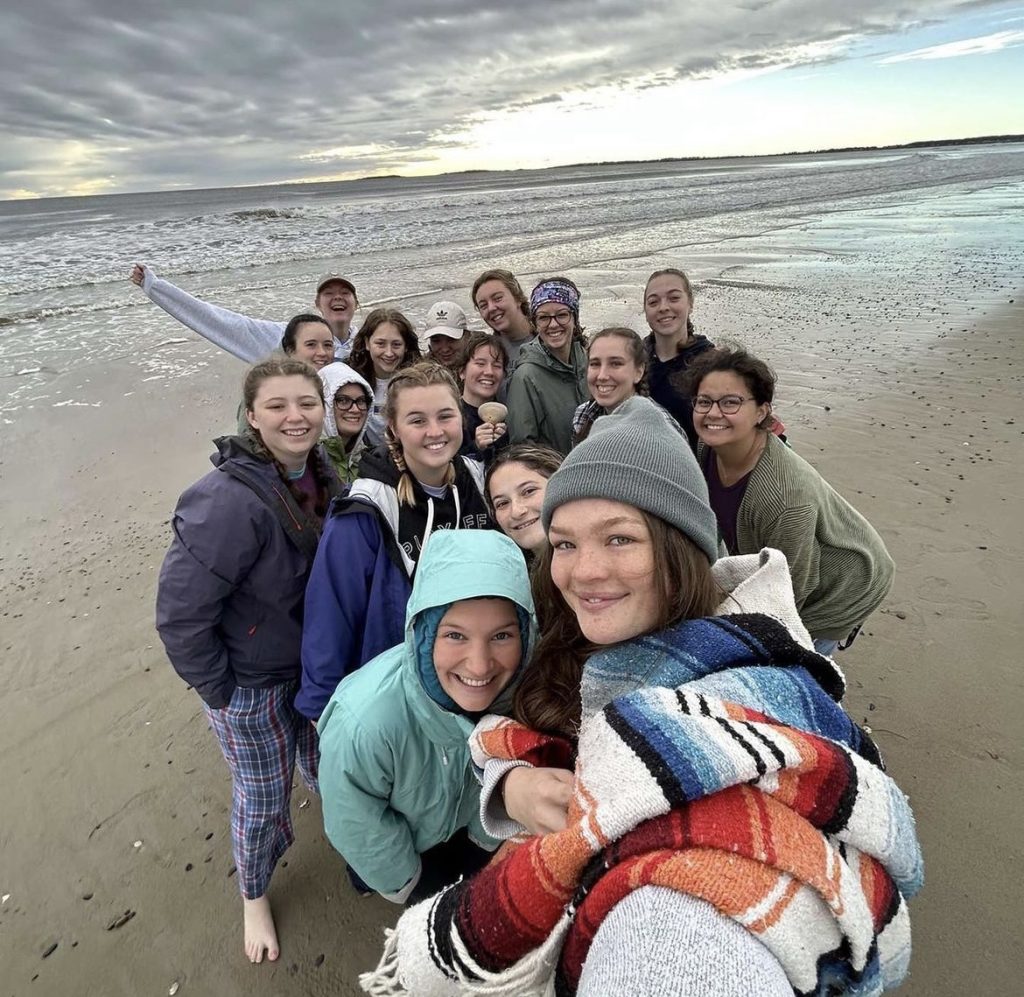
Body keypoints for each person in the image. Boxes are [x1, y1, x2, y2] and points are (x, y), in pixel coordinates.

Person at [364, 396, 922, 997]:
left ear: (679, 544)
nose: (585, 572)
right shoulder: (574, 637)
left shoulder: (762, 687)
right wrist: (512, 780)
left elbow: (688, 921)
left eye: (620, 538)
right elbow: (512, 725)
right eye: (566, 544)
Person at [155, 358, 343, 965]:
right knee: (263, 798)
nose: (295, 417)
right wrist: (222, 692)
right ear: (252, 416)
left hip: (311, 667)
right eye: (278, 406)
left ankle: (344, 825)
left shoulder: (322, 473)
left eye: (306, 404)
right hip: (249, 684)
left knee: (325, 759)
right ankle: (254, 893)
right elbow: (181, 616)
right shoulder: (225, 501)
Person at [317, 529, 537, 903]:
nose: (480, 665)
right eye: (454, 636)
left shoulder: (522, 695)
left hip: (465, 832)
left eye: (502, 636)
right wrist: (406, 880)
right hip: (408, 849)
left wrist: (483, 839)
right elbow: (356, 818)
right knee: (381, 875)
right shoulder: (364, 723)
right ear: (421, 633)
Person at [297, 362, 494, 721]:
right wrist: (322, 709)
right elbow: (331, 615)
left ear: (461, 420)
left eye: (445, 416)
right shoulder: (364, 511)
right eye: (417, 420)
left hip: (479, 679)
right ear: (394, 429)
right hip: (398, 694)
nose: (435, 432)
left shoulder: (480, 483)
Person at [687, 346, 895, 654]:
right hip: (803, 559)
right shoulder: (707, 450)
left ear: (762, 411)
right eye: (704, 402)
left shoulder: (784, 498)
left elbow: (786, 596)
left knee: (795, 662)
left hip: (845, 585)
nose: (713, 413)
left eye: (731, 402)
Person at [130, 265, 359, 360]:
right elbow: (224, 323)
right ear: (317, 303)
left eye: (345, 293)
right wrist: (156, 288)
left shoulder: (368, 342)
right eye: (328, 293)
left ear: (356, 303)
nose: (337, 297)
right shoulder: (288, 336)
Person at [506, 276, 589, 454]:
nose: (553, 324)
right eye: (544, 318)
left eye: (562, 315)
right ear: (535, 323)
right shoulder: (526, 377)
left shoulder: (587, 360)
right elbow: (523, 449)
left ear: (575, 318)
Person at [642, 267, 715, 451]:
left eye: (674, 298)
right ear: (645, 311)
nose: (663, 307)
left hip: (695, 469)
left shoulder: (712, 362)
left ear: (690, 303)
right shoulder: (634, 359)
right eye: (653, 302)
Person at [346, 307, 422, 444]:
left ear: (406, 346)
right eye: (380, 344)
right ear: (367, 343)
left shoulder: (418, 382)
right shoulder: (351, 381)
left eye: (396, 344)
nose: (389, 353)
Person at [484, 443, 563, 561]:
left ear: (562, 485)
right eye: (502, 503)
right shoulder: (506, 574)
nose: (516, 512)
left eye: (528, 491)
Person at [572, 326, 649, 445]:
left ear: (638, 371)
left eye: (615, 364)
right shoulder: (583, 415)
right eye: (595, 364)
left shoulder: (661, 427)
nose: (602, 376)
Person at [457, 331, 510, 462]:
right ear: (462, 371)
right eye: (480, 364)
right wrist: (476, 448)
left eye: (497, 366)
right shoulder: (451, 417)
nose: (489, 372)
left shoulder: (510, 419)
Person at [318, 361, 374, 484]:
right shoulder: (308, 461)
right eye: (343, 400)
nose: (355, 409)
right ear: (325, 405)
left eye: (361, 401)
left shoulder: (371, 462)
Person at [471, 268, 536, 363]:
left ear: (517, 298)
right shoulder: (487, 354)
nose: (491, 308)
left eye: (498, 298)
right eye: (483, 305)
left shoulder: (549, 339)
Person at [422, 300, 468, 368]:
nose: (445, 349)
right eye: (436, 341)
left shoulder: (483, 366)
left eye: (451, 339)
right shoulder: (421, 375)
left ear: (466, 337)